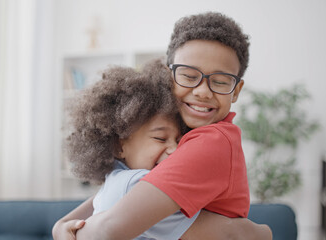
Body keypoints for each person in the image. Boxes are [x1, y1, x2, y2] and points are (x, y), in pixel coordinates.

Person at [54, 11, 272, 240]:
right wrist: (63, 223)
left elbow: (109, 228)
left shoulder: (212, 141)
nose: (202, 92)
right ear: (170, 75)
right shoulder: (185, 126)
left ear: (236, 90)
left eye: (219, 82)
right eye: (188, 76)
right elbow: (126, 187)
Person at [59, 59, 200, 240]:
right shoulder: (137, 184)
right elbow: (228, 233)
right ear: (119, 146)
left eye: (179, 141)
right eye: (160, 138)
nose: (174, 149)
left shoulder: (116, 179)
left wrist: (60, 226)